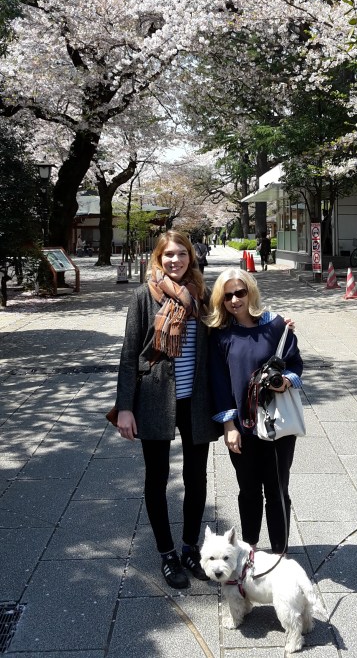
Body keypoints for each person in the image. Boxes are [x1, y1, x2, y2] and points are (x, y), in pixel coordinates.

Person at [115, 230, 220, 589]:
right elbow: (129, 354)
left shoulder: (202, 295)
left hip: (196, 399)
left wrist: (272, 325)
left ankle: (190, 547)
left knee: (196, 476)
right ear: (158, 259)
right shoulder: (144, 296)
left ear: (192, 257)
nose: (175, 261)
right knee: (157, 477)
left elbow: (229, 329)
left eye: (182, 254)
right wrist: (124, 407)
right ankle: (167, 553)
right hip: (155, 396)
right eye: (168, 255)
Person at [205, 268, 303, 554]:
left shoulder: (276, 325)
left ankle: (280, 551)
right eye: (227, 296)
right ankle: (251, 548)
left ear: (251, 292)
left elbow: (295, 363)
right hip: (243, 426)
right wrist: (229, 426)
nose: (235, 300)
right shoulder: (220, 335)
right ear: (220, 300)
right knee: (248, 489)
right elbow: (219, 383)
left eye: (240, 292)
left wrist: (285, 382)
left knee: (277, 488)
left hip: (276, 423)